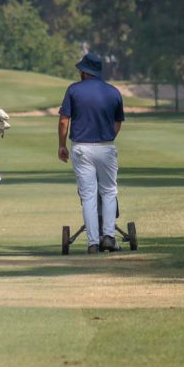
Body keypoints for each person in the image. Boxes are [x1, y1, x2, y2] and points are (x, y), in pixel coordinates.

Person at [57, 53, 125, 254]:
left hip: (81, 148)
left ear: (85, 71)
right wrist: (108, 136)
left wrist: (62, 145)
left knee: (88, 196)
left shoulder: (74, 90)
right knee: (109, 192)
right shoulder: (113, 92)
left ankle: (93, 243)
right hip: (106, 147)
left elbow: (63, 121)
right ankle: (109, 237)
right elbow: (117, 122)